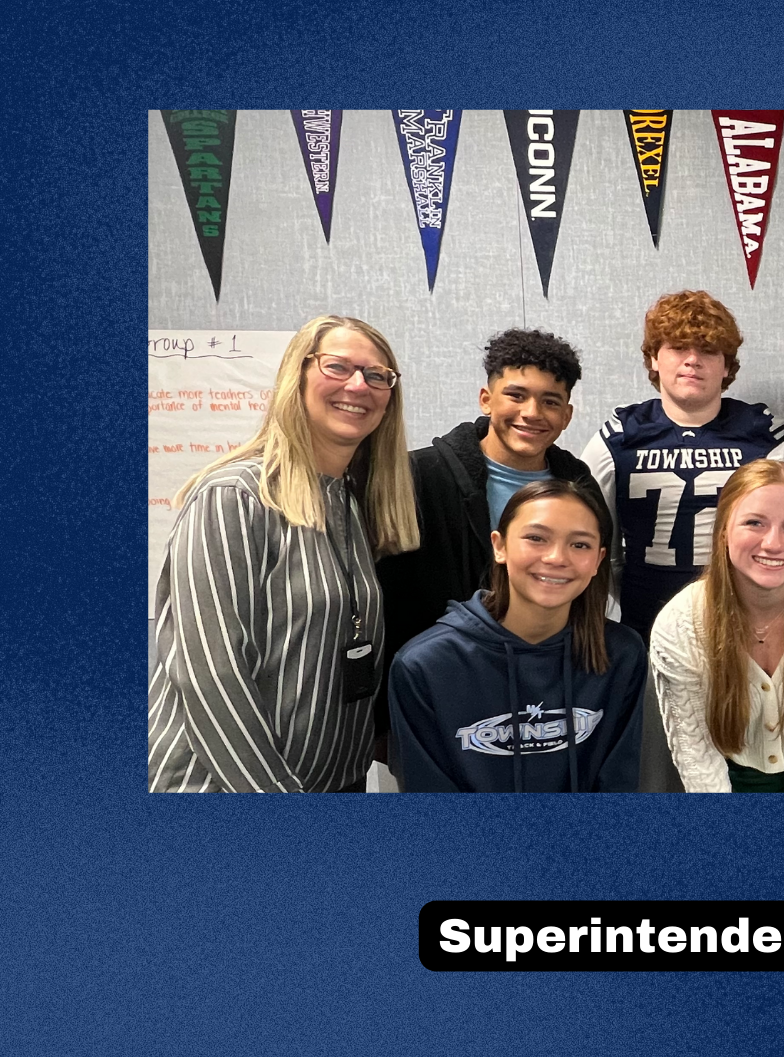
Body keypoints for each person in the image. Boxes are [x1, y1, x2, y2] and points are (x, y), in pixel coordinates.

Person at [149, 315, 418, 792]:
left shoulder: (350, 502)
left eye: (378, 376)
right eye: (337, 367)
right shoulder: (234, 496)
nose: (359, 385)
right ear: (298, 375)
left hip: (329, 784)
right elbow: (209, 673)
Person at [582, 290, 784, 790]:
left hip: (748, 639)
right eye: (677, 348)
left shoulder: (763, 435)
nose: (692, 360)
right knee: (659, 778)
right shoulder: (620, 434)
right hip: (648, 633)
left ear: (727, 365)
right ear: (653, 359)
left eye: (708, 350)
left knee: (745, 775)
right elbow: (586, 541)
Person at [375, 328, 602, 760]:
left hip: (544, 708)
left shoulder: (581, 488)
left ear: (568, 414)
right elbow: (387, 599)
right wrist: (384, 722)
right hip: (436, 704)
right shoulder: (418, 479)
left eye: (550, 401)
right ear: (486, 399)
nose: (531, 412)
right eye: (515, 395)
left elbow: (589, 595)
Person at [386, 479, 646, 791]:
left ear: (598, 561)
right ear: (499, 546)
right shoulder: (424, 665)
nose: (556, 558)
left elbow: (618, 784)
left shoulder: (621, 654)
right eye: (537, 538)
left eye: (580, 545)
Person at [648, 459, 784, 792]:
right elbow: (697, 758)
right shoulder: (681, 624)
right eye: (755, 523)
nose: (773, 543)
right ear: (724, 531)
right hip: (722, 786)